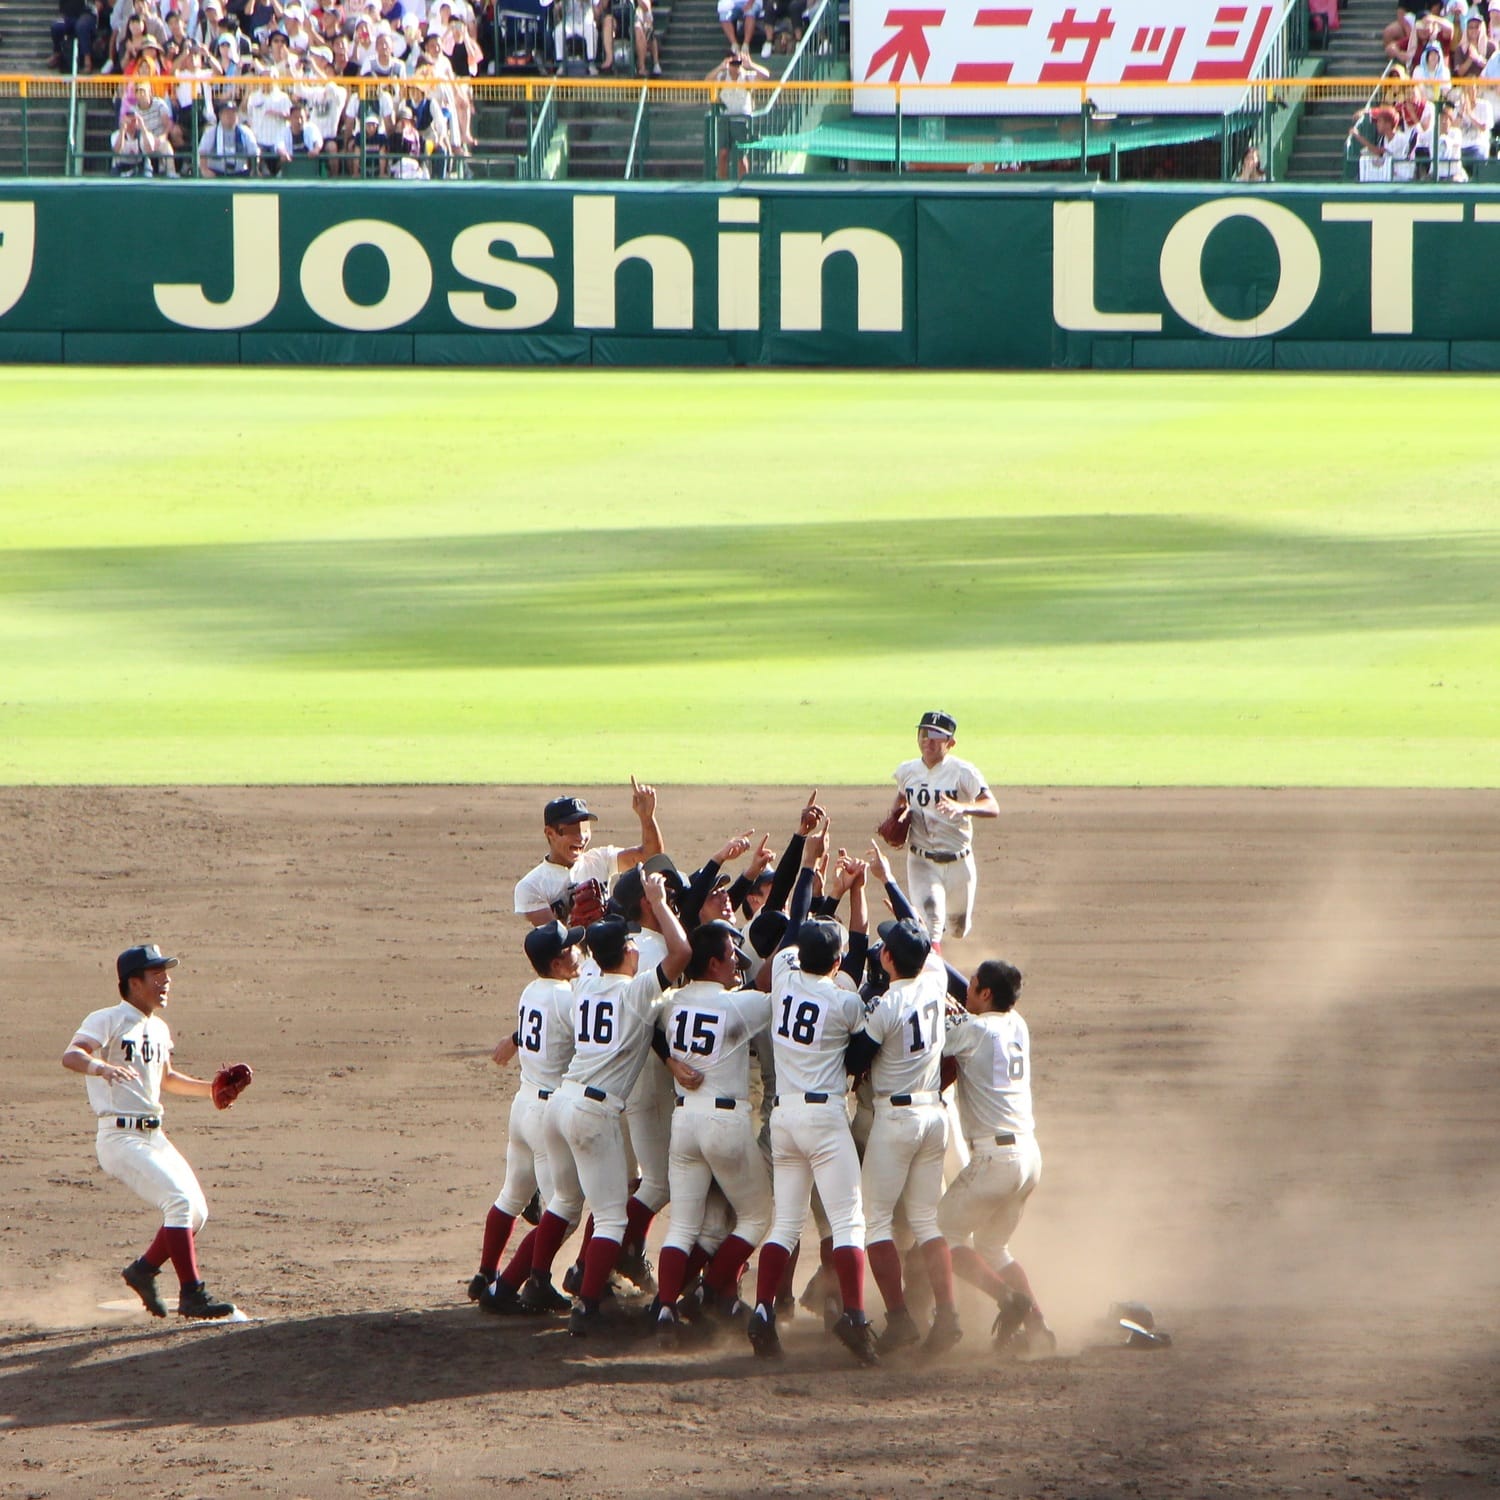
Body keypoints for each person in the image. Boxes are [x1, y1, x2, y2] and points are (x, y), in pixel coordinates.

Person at [517, 872, 691, 1335]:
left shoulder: (583, 986)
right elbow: (681, 953)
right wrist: (659, 901)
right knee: (612, 1215)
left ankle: (537, 1281)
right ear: (630, 953)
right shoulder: (636, 992)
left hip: (559, 1103)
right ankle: (588, 1305)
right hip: (593, 1113)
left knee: (565, 1202)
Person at [746, 821, 879, 1366]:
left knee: (783, 1223)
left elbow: (796, 922)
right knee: (848, 1222)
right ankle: (853, 1315)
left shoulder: (781, 972)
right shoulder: (844, 1000)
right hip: (825, 1123)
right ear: (837, 959)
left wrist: (810, 864)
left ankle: (760, 1314)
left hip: (783, 1120)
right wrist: (857, 894)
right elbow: (861, 971)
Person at [60, 945, 242, 1320]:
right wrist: (101, 1068)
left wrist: (212, 1089)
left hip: (153, 1137)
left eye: (165, 973)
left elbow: (168, 1079)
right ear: (133, 982)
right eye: (156, 974)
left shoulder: (158, 1028)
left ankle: (142, 1271)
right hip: (119, 1137)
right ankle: (193, 1294)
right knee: (177, 1202)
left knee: (196, 1213)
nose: (166, 981)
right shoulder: (107, 1018)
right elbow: (72, 1054)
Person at [652, 919, 774, 1346]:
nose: (736, 963)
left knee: (684, 1227)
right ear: (713, 962)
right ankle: (707, 1291)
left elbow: (648, 1026)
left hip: (685, 1123)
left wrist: (670, 1060)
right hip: (725, 1124)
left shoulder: (672, 1001)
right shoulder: (739, 1006)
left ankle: (665, 1307)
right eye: (730, 957)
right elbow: (785, 995)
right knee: (759, 1216)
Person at [848, 914, 964, 1359]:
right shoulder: (935, 990)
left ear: (889, 958)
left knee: (875, 1221)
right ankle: (948, 1315)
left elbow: (856, 1060)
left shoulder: (888, 1005)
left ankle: (899, 1319)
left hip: (895, 1121)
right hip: (934, 1117)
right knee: (925, 1220)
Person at [938, 958, 1055, 1356]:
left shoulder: (973, 1031)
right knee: (993, 1247)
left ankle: (1007, 1299)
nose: (964, 991)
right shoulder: (1016, 1023)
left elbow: (928, 1038)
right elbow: (960, 985)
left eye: (971, 987)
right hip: (1029, 1158)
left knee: (941, 1237)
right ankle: (1039, 1327)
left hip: (995, 1161)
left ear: (986, 993)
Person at [469, 919, 583, 1313]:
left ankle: (485, 1272)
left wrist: (512, 1040)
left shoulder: (531, 990)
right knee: (563, 1213)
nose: (579, 953)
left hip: (522, 1106)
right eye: (572, 950)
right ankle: (516, 1286)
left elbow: (531, 1028)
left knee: (512, 1196)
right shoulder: (570, 998)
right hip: (549, 1116)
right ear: (557, 963)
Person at [889, 710, 999, 949]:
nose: (928, 740)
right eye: (924, 733)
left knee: (958, 928)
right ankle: (933, 969)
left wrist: (963, 808)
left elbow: (992, 806)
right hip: (921, 861)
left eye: (937, 736)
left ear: (951, 742)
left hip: (959, 862)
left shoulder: (963, 772)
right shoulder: (906, 771)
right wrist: (895, 818)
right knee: (932, 922)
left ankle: (943, 934)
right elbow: (900, 798)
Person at [513, 779, 662, 927]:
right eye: (571, 830)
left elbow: (651, 858)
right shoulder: (531, 886)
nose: (581, 837)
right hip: (574, 951)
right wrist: (574, 922)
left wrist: (647, 818)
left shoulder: (600, 859)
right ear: (550, 833)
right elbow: (554, 942)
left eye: (584, 829)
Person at [706, 51, 768, 179]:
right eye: (733, 63)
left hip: (741, 119)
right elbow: (707, 80)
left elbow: (766, 75)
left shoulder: (747, 77)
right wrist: (721, 67)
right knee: (723, 153)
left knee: (741, 156)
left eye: (738, 63)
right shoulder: (722, 76)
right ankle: (722, 184)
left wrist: (750, 65)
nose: (736, 66)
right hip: (725, 118)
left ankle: (743, 184)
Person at [198, 94, 260, 174]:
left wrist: (254, 169)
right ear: (220, 115)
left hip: (240, 173)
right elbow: (202, 151)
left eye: (233, 113)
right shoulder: (211, 132)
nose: (230, 116)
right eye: (227, 113)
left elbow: (254, 152)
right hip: (217, 173)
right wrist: (205, 170)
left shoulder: (245, 132)